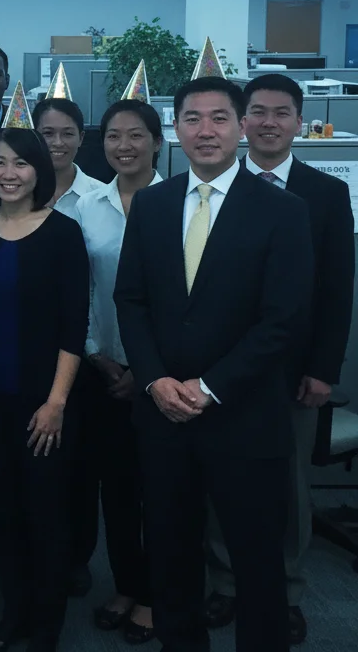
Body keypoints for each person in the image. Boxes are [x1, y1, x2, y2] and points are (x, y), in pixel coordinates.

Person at [114, 77, 313, 652]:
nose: (206, 131)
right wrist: (153, 379)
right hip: (164, 416)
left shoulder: (283, 210)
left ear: (242, 126)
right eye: (193, 118)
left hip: (244, 417)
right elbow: (131, 300)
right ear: (175, 128)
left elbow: (283, 320)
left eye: (220, 118)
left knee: (256, 564)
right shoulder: (152, 204)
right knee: (173, 559)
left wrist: (210, 385)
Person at [204, 74, 354, 645]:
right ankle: (224, 580)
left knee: (286, 486)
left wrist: (324, 369)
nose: (268, 123)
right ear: (243, 122)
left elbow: (338, 291)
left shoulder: (325, 193)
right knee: (221, 478)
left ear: (300, 121)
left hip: (292, 373)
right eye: (258, 112)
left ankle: (286, 588)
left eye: (281, 113)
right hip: (222, 369)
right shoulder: (214, 185)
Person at [0, 127, 88, 652]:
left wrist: (56, 403)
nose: (9, 174)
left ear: (39, 171)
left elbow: (73, 327)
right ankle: (14, 616)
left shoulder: (62, 233)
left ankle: (46, 627)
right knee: (3, 514)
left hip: (44, 404)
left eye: (21, 164)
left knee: (46, 517)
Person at [73, 100, 164, 645]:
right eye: (112, 136)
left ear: (157, 140)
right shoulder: (86, 206)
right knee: (119, 489)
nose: (123, 145)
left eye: (135, 135)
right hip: (103, 370)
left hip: (168, 375)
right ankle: (129, 584)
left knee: (168, 490)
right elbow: (77, 289)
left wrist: (150, 368)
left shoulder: (180, 202)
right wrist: (97, 355)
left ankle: (160, 592)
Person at [31, 95, 102, 593]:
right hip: (35, 353)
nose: (56, 143)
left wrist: (98, 350)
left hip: (92, 356)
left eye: (66, 133)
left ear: (81, 137)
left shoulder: (100, 199)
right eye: (46, 134)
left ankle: (75, 558)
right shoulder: (14, 190)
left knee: (80, 466)